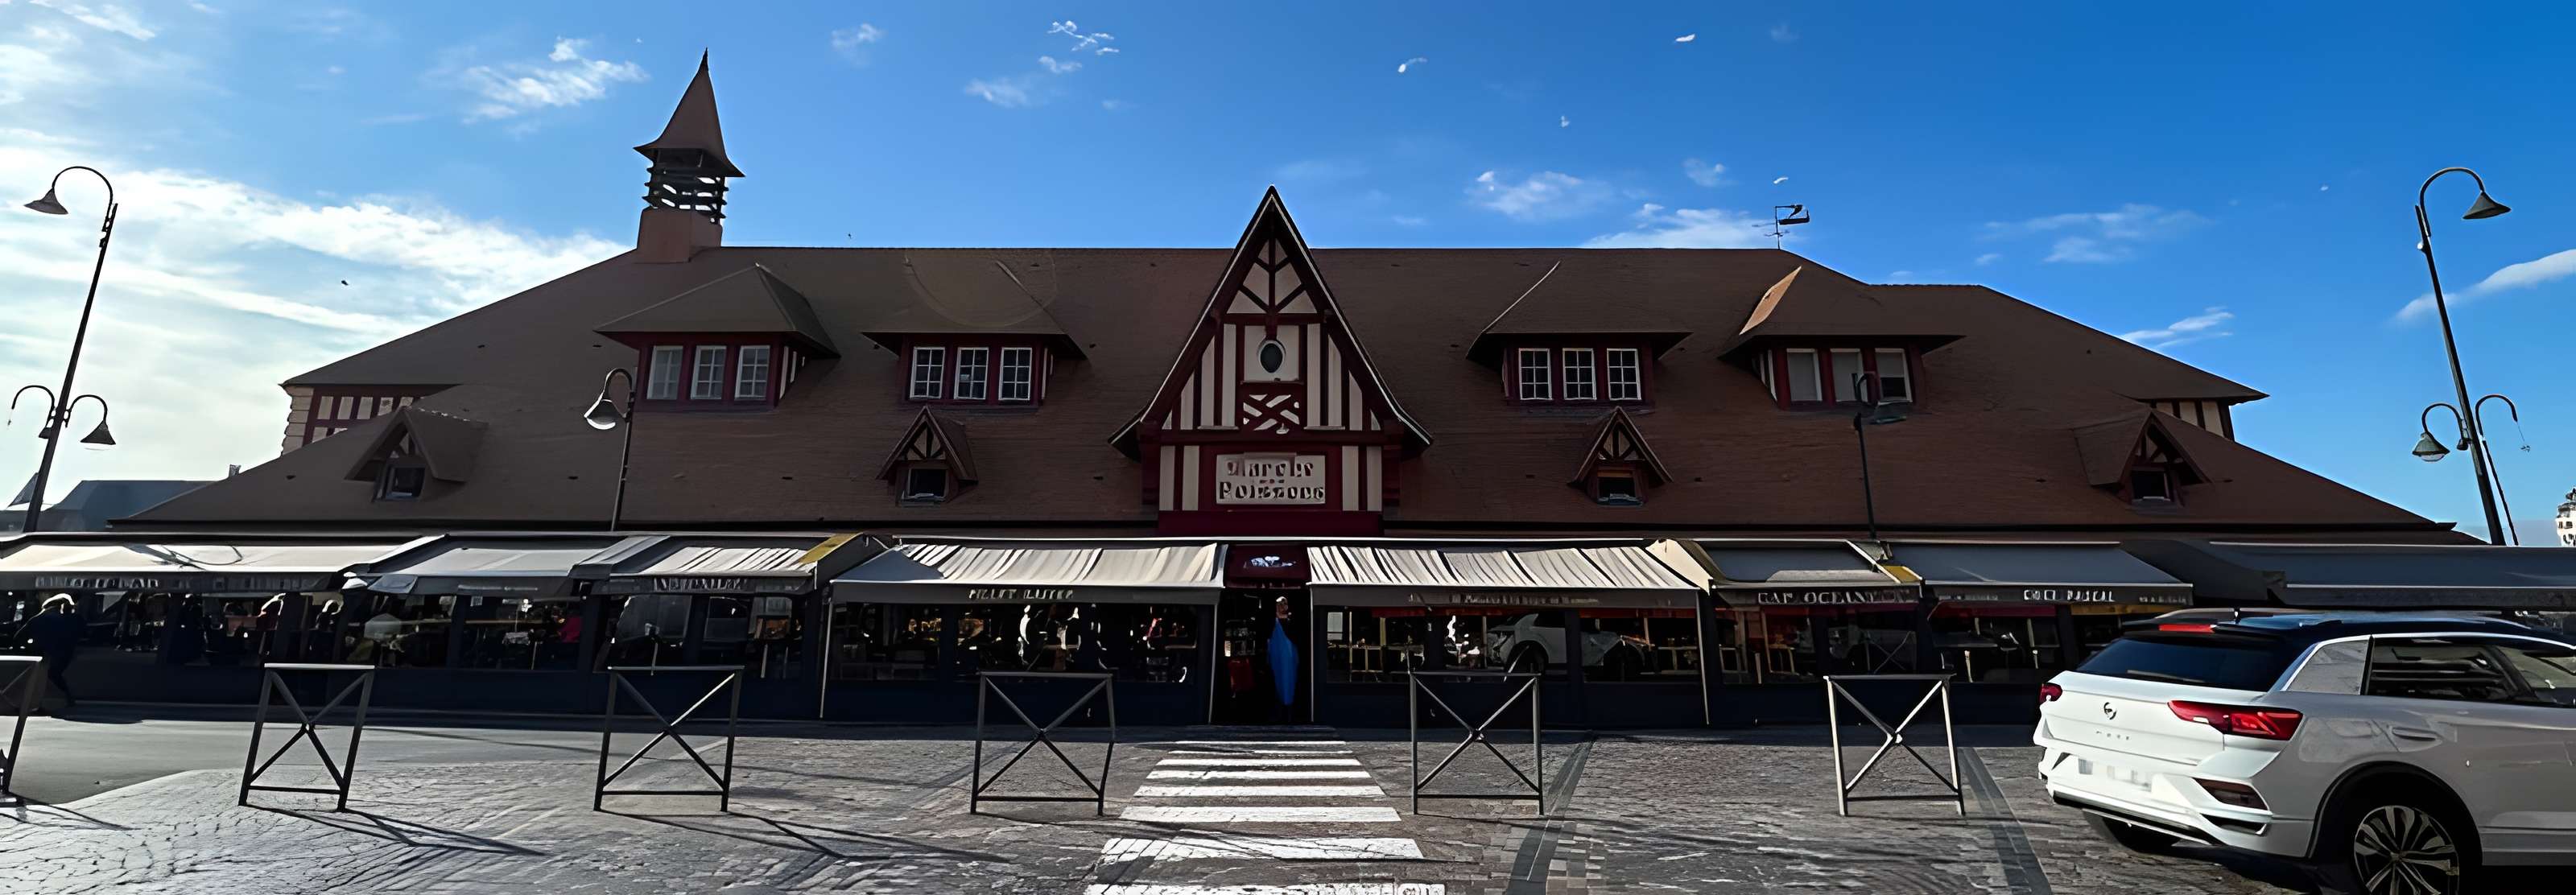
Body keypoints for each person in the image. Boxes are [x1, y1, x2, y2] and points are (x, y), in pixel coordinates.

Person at [26, 595, 85, 709]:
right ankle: (66, 698)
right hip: (64, 652)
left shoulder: (39, 619)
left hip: (44, 652)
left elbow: (19, 637)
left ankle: (39, 700)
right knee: (53, 674)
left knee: (45, 675)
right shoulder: (73, 620)